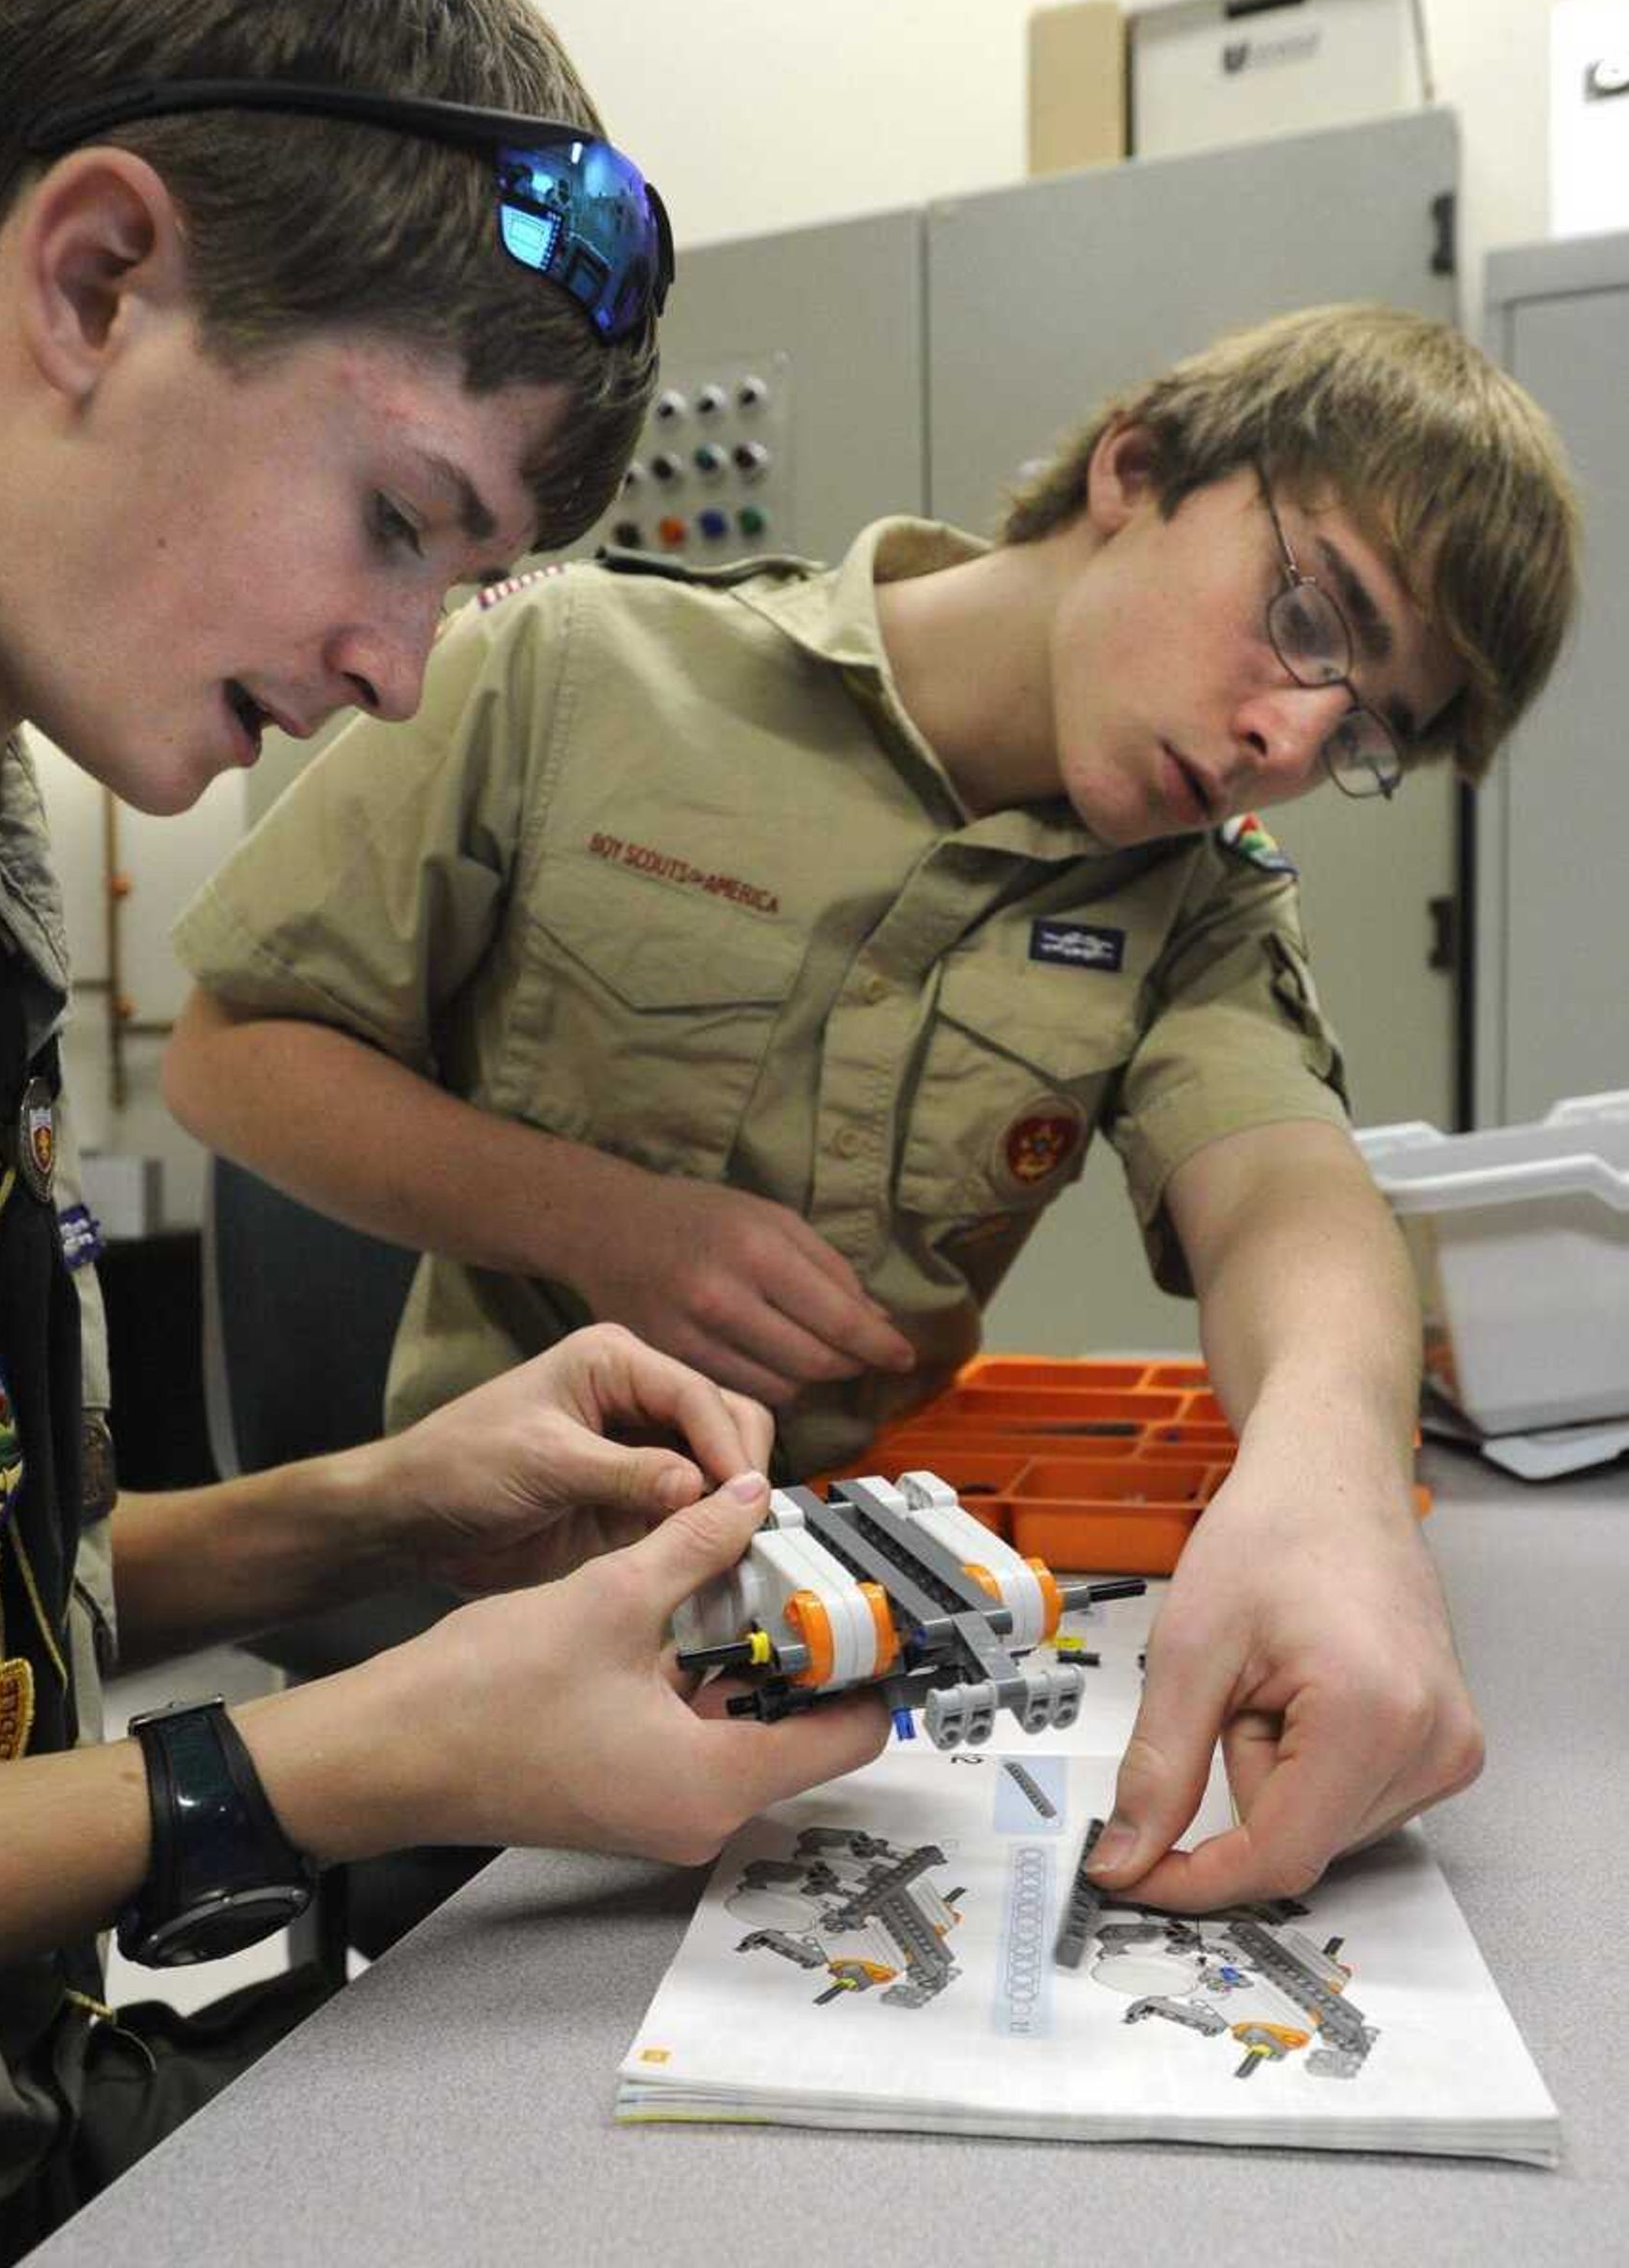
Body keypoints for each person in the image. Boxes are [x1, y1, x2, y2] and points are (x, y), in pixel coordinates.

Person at [0, 0, 886, 2260]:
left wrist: (364, 1514)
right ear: (96, 277)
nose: (403, 669)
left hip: (18, 2115)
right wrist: (329, 1760)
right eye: (400, 518)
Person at [164, 300, 1582, 1918]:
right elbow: (229, 1051)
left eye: (1366, 734)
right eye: (1314, 620)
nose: (1291, 736)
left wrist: (1331, 1481)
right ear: (1136, 468)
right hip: (481, 1623)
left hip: (842, 1639)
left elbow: (1283, 1192)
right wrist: (607, 1226)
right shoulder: (576, 672)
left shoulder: (1193, 904)